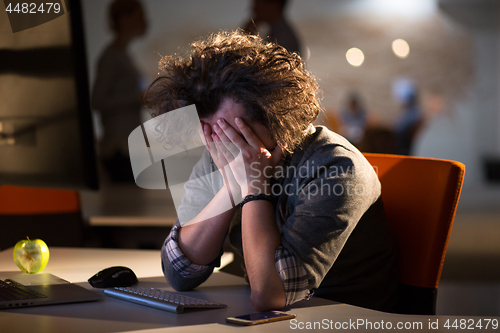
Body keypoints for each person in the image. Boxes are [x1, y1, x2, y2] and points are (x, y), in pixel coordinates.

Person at [147, 31, 398, 312]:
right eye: (211, 134)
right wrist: (231, 189)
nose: (221, 146)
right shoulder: (221, 155)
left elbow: (269, 296)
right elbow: (178, 272)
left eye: (235, 133)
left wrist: (254, 188)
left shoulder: (336, 168)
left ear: (277, 119)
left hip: (347, 319)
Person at [92, 0, 147, 182]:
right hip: (118, 147)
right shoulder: (110, 57)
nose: (144, 21)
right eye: (139, 16)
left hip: (127, 146)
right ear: (124, 19)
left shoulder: (122, 55)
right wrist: (137, 98)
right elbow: (97, 101)